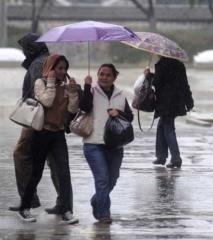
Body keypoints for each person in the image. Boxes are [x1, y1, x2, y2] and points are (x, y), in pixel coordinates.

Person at [9, 33, 69, 214]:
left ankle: (29, 200)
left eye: (25, 48)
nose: (23, 52)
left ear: (31, 48)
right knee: (56, 164)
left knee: (21, 155)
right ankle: (64, 203)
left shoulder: (37, 64)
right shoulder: (50, 60)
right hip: (52, 122)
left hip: (37, 121)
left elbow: (39, 96)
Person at [17, 54, 79, 224]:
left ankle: (67, 210)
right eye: (59, 68)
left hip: (58, 135)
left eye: (64, 68)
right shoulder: (40, 83)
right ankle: (25, 208)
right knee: (36, 173)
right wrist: (51, 83)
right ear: (50, 68)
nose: (62, 71)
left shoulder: (66, 86)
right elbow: (47, 102)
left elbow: (72, 110)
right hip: (41, 133)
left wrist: (73, 93)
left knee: (64, 173)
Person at [80, 64, 133, 224]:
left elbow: (129, 117)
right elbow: (84, 108)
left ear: (114, 78)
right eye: (101, 74)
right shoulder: (90, 91)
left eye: (108, 75)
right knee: (102, 179)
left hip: (115, 146)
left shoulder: (120, 95)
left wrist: (120, 113)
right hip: (93, 143)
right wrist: (87, 85)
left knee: (113, 179)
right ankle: (104, 214)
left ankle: (97, 200)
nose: (104, 77)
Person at [144, 56, 194, 169]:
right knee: (162, 125)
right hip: (177, 102)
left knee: (168, 128)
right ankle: (161, 157)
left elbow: (157, 82)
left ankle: (176, 159)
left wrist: (149, 75)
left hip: (165, 102)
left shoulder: (161, 64)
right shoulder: (179, 65)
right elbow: (185, 85)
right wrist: (189, 102)